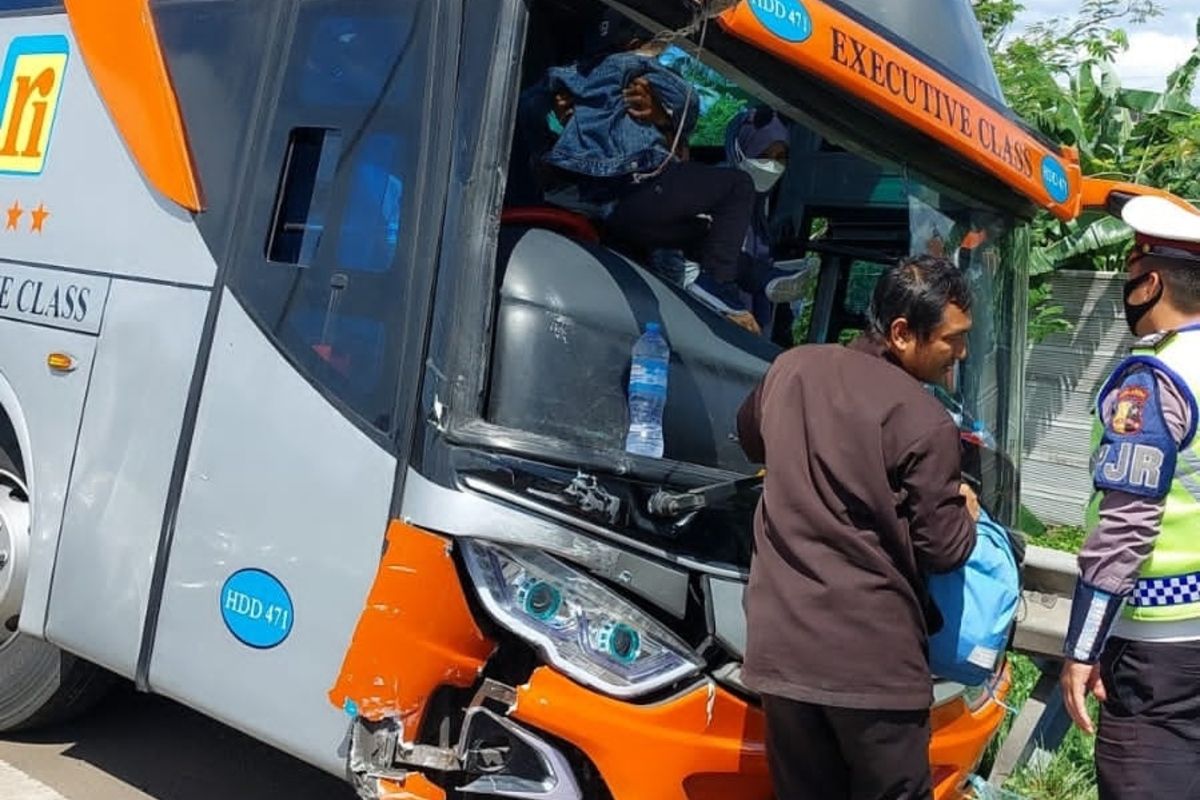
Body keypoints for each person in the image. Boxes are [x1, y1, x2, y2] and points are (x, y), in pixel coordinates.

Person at [737, 254, 980, 800]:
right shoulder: (924, 421)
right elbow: (943, 548)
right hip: (872, 667)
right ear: (901, 333)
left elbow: (750, 437)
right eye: (952, 339)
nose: (960, 353)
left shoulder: (792, 367)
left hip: (782, 654)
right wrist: (966, 511)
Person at [1058, 194, 1200, 799]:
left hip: (1158, 653)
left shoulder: (1155, 379)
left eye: (1129, 274)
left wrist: (1083, 648)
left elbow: (1126, 526)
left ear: (1152, 282)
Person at [517, 9, 761, 333]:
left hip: (620, 225)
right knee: (737, 187)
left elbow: (525, 109)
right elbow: (689, 103)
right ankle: (722, 284)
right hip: (625, 215)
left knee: (702, 236)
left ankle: (758, 277)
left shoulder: (571, 76)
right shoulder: (635, 69)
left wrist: (659, 117)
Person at [721, 106, 816, 333]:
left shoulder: (757, 208)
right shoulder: (716, 196)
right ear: (741, 149)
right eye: (763, 155)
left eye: (780, 157)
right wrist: (727, 307)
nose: (772, 165)